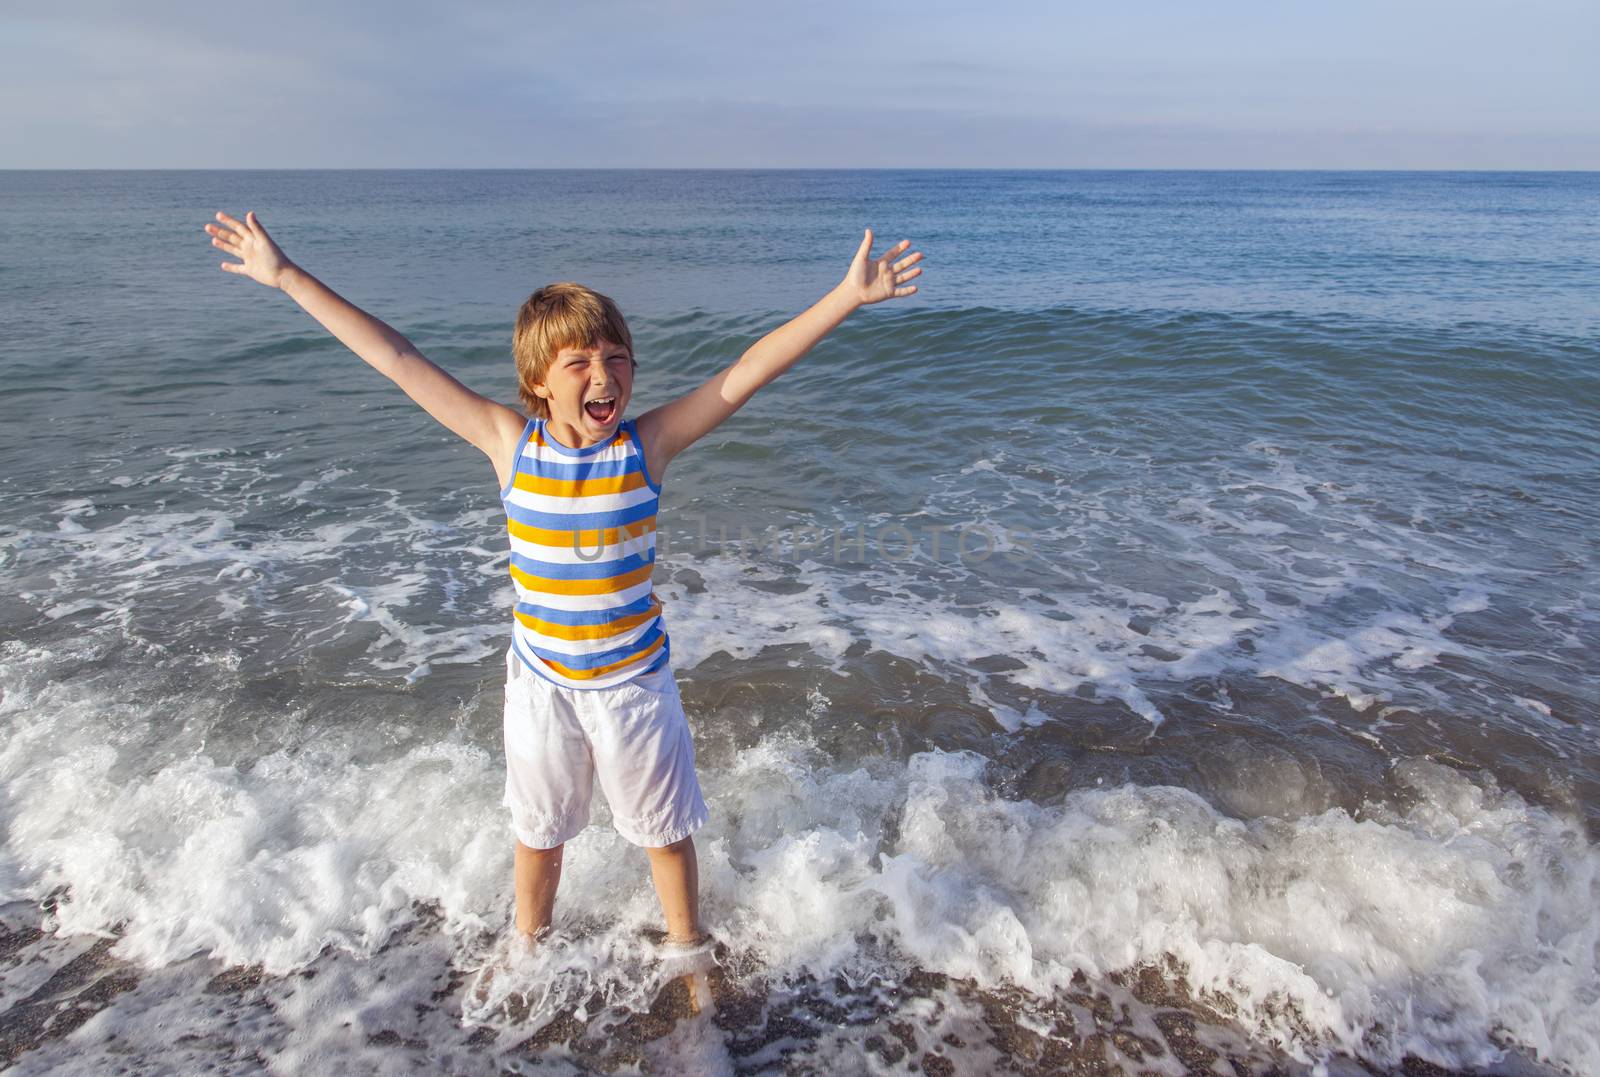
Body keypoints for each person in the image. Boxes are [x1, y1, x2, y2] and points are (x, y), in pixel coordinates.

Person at [202, 209, 924, 953]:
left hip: (633, 684)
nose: (603, 374)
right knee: (538, 835)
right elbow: (397, 357)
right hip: (541, 681)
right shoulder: (507, 443)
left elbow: (745, 372)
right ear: (538, 384)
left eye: (617, 357)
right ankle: (527, 948)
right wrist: (286, 275)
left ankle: (686, 950)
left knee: (665, 834)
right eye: (579, 362)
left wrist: (845, 297)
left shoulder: (648, 446)